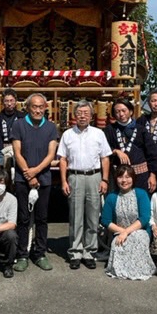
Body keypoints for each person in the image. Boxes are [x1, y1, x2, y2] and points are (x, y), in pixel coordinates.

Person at [57, 99, 111, 270]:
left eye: (86, 113)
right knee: (75, 216)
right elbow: (63, 160)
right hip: (75, 177)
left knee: (93, 216)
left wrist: (105, 179)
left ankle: (90, 252)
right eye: (79, 113)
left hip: (94, 176)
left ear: (91, 115)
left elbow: (105, 158)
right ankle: (75, 252)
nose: (82, 116)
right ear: (74, 115)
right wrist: (64, 180)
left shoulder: (98, 134)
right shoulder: (67, 134)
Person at [11, 93, 58, 272]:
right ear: (28, 108)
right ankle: (22, 254)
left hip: (43, 179)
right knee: (23, 218)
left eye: (41, 107)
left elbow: (51, 154)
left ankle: (40, 253)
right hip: (23, 179)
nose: (38, 110)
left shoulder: (51, 127)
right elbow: (17, 152)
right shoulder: (19, 125)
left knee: (42, 218)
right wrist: (29, 175)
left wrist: (36, 172)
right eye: (34, 107)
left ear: (45, 108)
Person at [101, 165, 156, 280]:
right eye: (120, 177)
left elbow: (145, 217)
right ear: (116, 179)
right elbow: (105, 220)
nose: (124, 180)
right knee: (118, 244)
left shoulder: (141, 194)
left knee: (137, 239)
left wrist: (127, 232)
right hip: (119, 232)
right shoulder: (112, 197)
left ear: (133, 178)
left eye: (128, 177)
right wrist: (122, 232)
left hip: (140, 231)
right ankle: (121, 270)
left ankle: (140, 270)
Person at [103, 98, 157, 193]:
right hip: (119, 179)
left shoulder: (141, 130)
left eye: (124, 110)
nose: (121, 114)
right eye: (117, 112)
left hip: (141, 177)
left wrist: (153, 175)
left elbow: (154, 154)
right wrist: (115, 151)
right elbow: (102, 150)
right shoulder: (109, 130)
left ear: (130, 111)